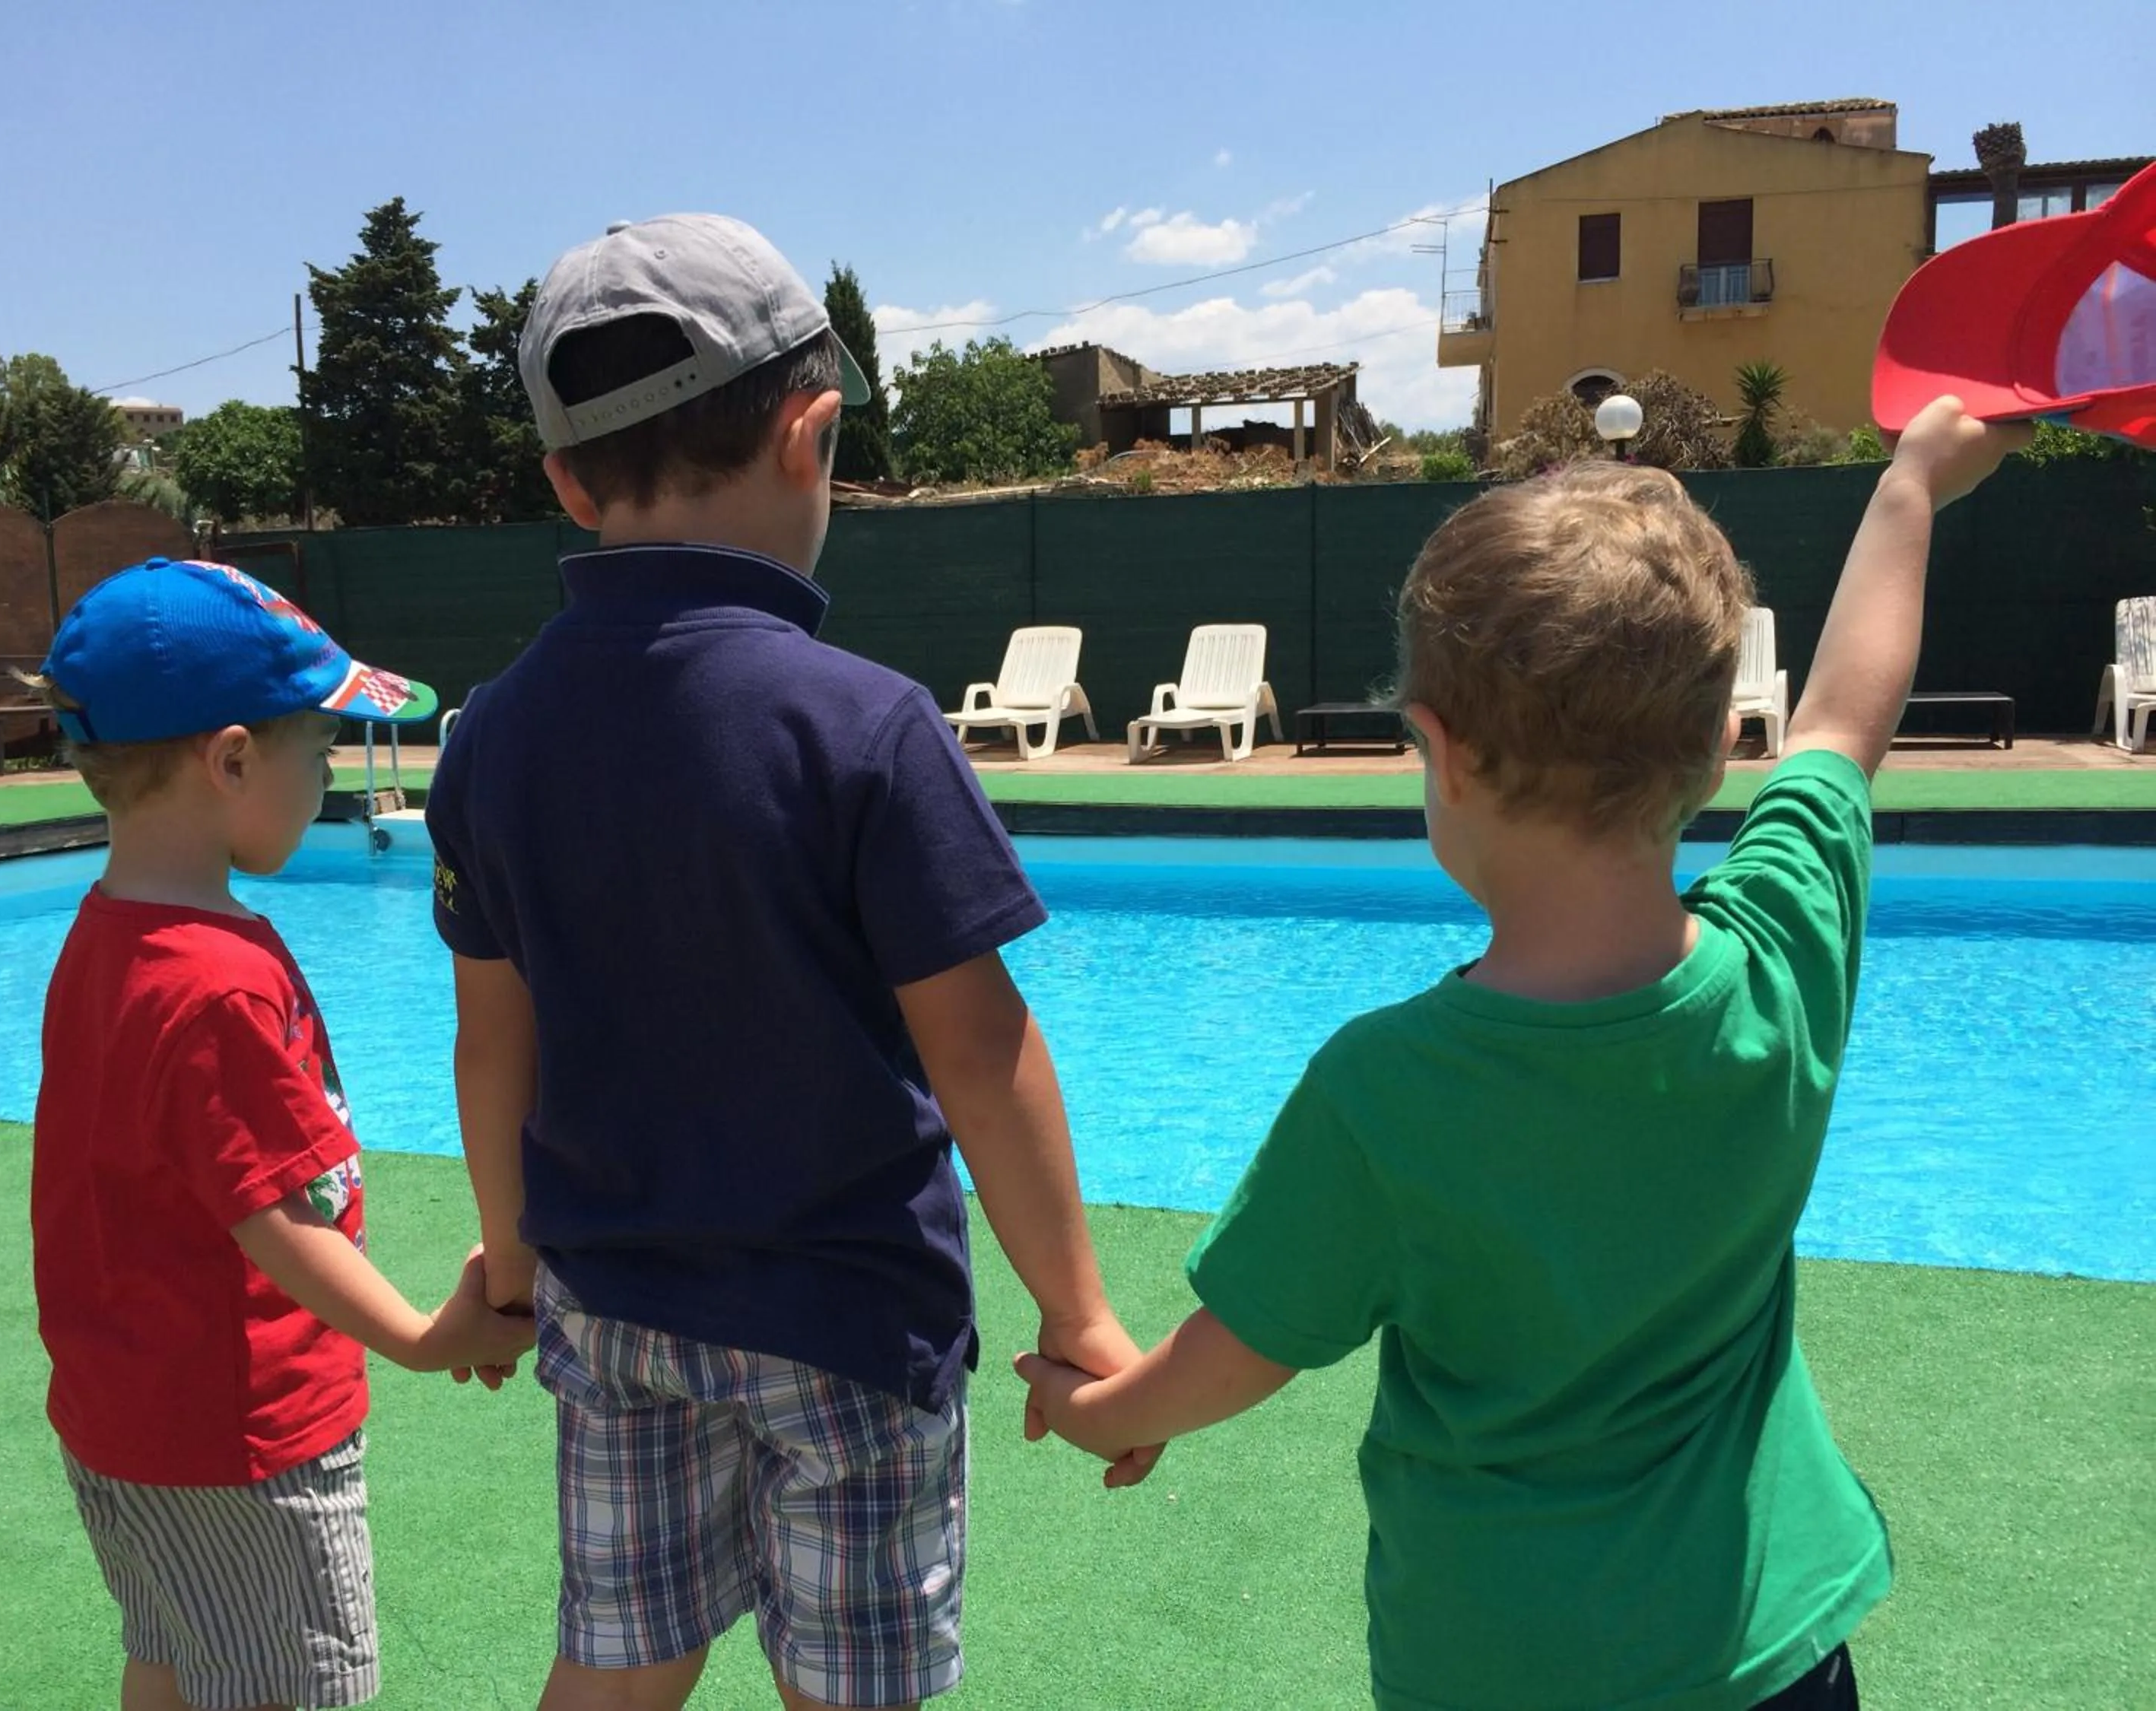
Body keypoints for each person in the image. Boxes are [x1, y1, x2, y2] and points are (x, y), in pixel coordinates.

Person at [1016, 398, 2029, 1710]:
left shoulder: (1384, 1093)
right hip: (1766, 1644)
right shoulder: (1783, 958)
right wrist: (1910, 488)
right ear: (1722, 747)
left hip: (1500, 1663)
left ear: (1437, 751)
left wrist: (1106, 1410)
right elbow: (1843, 723)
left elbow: (1242, 1351)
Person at [424, 215, 1149, 1711]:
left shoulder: (487, 737)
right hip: (847, 1320)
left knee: (619, 1662)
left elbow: (493, 1045)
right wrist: (1078, 1317)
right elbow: (979, 1052)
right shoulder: (868, 726)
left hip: (612, 1309)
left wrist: (510, 1269)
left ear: (568, 483)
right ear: (812, 437)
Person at [30, 558, 538, 1711]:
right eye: (320, 748)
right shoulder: (215, 982)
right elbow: (275, 1220)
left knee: (173, 1651)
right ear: (230, 760)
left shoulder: (106, 939)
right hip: (243, 1433)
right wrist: (424, 1337)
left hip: (125, 1413)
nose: (330, 777)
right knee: (290, 1685)